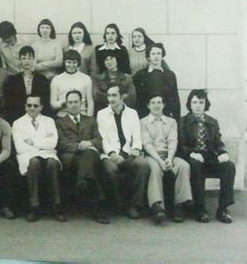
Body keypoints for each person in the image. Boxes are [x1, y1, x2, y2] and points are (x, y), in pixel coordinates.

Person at [177, 90, 235, 224]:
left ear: (205, 104)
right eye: (194, 102)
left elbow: (218, 142)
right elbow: (181, 144)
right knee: (196, 166)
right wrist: (192, 153)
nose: (197, 105)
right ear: (190, 104)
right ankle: (200, 208)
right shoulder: (183, 121)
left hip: (209, 157)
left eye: (201, 102)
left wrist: (223, 153)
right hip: (191, 156)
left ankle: (223, 208)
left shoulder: (212, 122)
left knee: (229, 166)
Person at [55, 91, 109, 224]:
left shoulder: (91, 120)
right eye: (70, 102)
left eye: (76, 102)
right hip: (71, 157)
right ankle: (97, 209)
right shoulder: (59, 122)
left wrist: (89, 143)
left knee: (89, 154)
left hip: (90, 154)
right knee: (88, 164)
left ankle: (80, 181)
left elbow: (99, 140)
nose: (73, 105)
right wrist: (79, 146)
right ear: (66, 105)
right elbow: (61, 142)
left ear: (81, 103)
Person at [97, 84, 150, 219]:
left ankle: (135, 205)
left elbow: (137, 137)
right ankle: (119, 204)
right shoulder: (101, 114)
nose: (111, 99)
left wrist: (135, 150)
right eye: (109, 95)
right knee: (111, 170)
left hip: (129, 152)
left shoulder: (132, 113)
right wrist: (112, 154)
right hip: (110, 154)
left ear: (122, 97)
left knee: (142, 165)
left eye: (114, 95)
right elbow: (102, 139)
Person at [12, 94, 65, 222]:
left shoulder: (49, 121)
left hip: (48, 154)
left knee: (52, 163)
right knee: (34, 162)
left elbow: (52, 142)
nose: (32, 108)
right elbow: (20, 147)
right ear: (25, 107)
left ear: (41, 107)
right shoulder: (18, 123)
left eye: (35, 105)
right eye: (29, 105)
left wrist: (32, 142)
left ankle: (55, 206)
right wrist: (42, 143)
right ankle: (34, 206)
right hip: (27, 155)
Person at [141, 94, 192, 224]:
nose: (156, 105)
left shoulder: (171, 122)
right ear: (148, 105)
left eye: (159, 102)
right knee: (154, 169)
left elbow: (172, 141)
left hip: (169, 155)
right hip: (152, 155)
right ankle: (157, 207)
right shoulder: (143, 122)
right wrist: (160, 161)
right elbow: (147, 144)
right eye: (153, 103)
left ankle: (179, 205)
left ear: (163, 105)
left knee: (183, 165)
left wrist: (169, 159)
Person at [133, 43, 180, 120]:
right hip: (145, 117)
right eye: (153, 54)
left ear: (162, 56)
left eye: (159, 53)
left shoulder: (170, 75)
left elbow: (175, 99)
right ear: (148, 57)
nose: (156, 56)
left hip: (165, 117)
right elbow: (137, 99)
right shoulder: (140, 75)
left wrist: (176, 119)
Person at [3, 46, 50, 123]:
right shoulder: (13, 80)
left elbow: (45, 101)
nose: (27, 61)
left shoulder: (41, 79)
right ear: (20, 60)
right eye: (24, 58)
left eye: (29, 58)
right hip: (18, 116)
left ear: (33, 59)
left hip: (38, 115)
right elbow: (9, 103)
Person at [50, 50, 94, 118]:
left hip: (82, 115)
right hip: (63, 116)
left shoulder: (86, 78)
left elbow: (90, 102)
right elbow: (53, 104)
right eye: (69, 62)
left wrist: (89, 120)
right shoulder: (56, 79)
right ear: (64, 62)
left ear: (78, 63)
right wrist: (66, 101)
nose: (71, 65)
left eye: (74, 62)